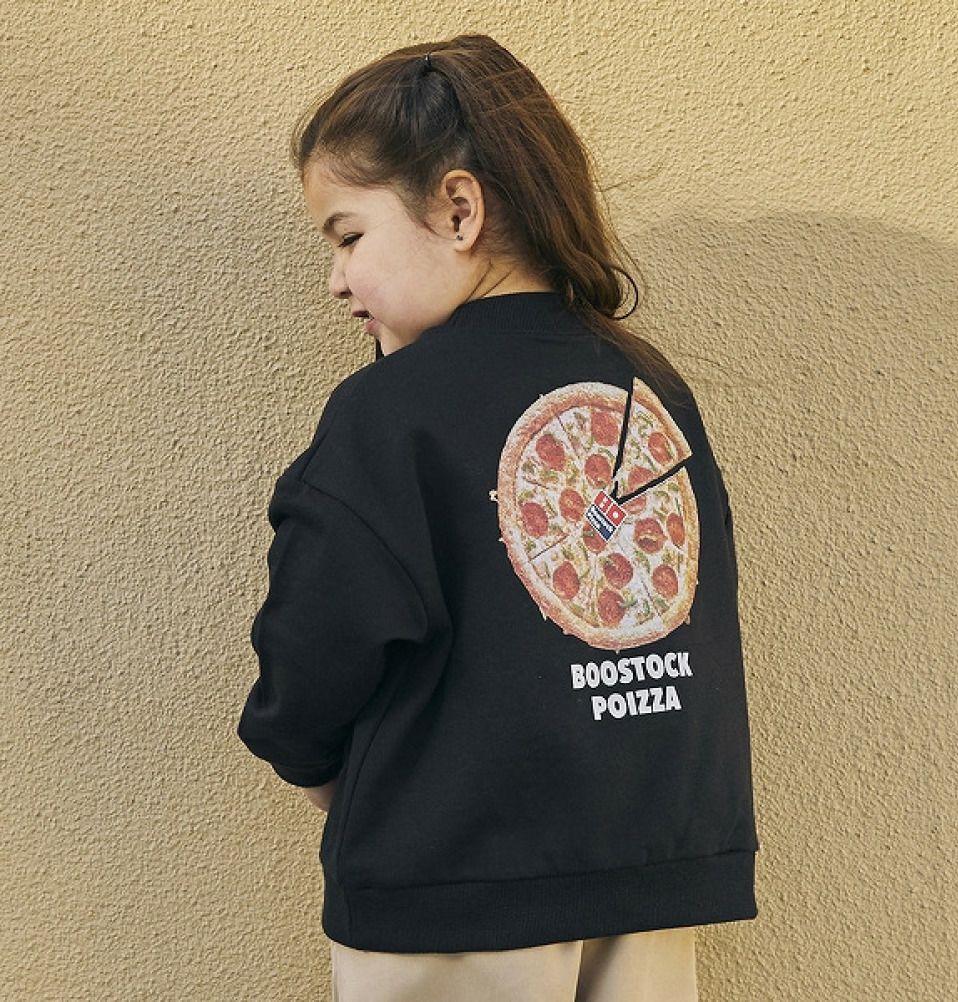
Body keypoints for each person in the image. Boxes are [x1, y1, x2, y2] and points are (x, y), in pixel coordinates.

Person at [237, 33, 758, 1002]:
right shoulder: (649, 390)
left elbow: (315, 642)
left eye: (348, 237)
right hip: (649, 877)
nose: (336, 280)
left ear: (458, 210)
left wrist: (311, 764)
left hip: (452, 896)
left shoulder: (389, 413)